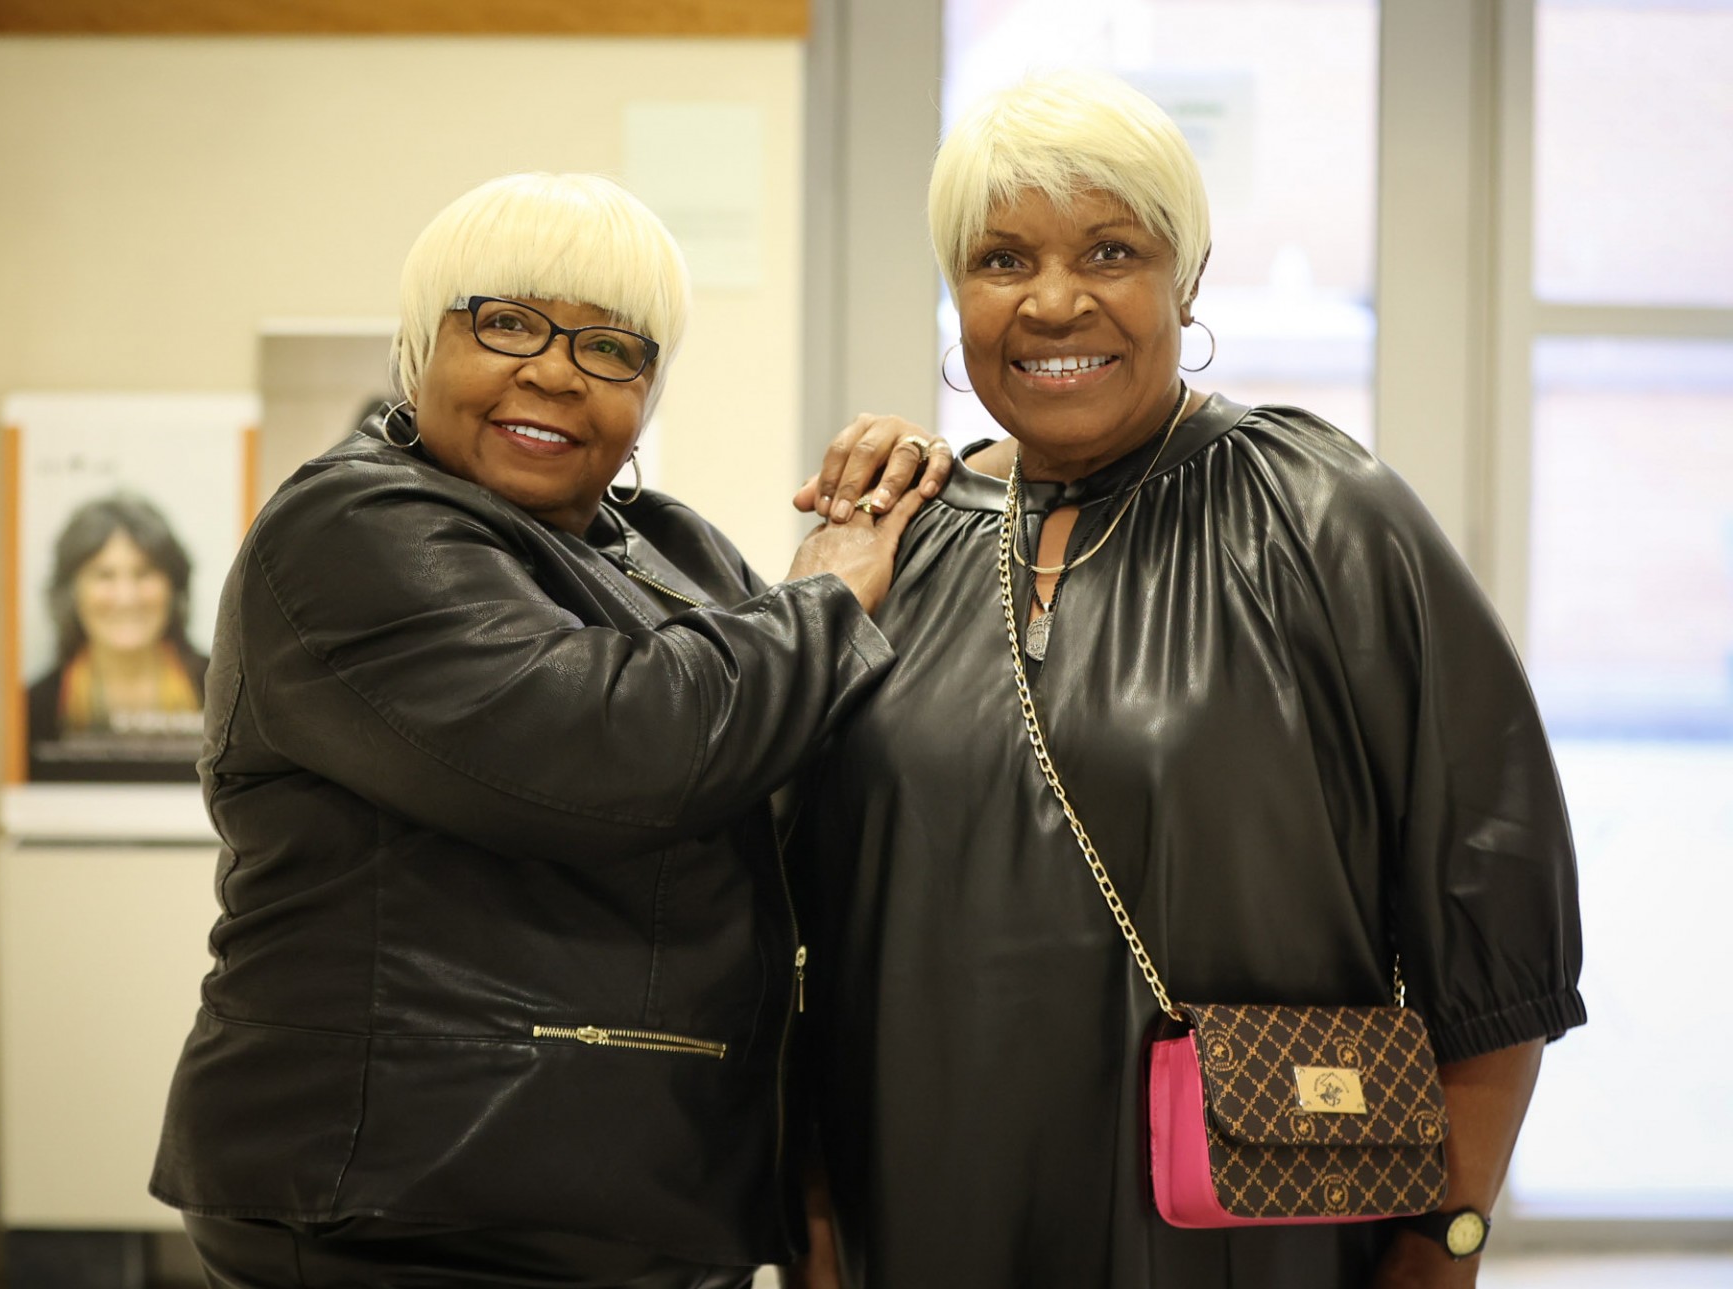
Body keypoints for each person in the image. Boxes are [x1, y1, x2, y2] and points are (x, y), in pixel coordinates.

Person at [795, 72, 1584, 1289]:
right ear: (958, 292)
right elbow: (805, 932)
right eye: (1002, 259)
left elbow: (1493, 918)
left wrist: (1445, 1247)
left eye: (1111, 249)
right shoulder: (894, 544)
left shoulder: (1321, 515)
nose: (1055, 300)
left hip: (1245, 1241)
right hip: (925, 1214)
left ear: (1189, 276)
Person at [149, 172, 949, 1288]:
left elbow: (780, 753)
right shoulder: (353, 525)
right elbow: (621, 743)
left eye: (613, 348)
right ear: (417, 345)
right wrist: (825, 594)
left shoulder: (666, 543)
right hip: (412, 1208)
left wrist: (909, 511)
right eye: (509, 322)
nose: (557, 370)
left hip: (622, 1196)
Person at [26, 491, 209, 782]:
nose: (126, 597)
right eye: (104, 575)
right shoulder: (32, 710)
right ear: (70, 592)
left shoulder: (225, 694)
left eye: (144, 573)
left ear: (173, 586)